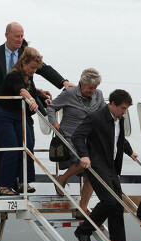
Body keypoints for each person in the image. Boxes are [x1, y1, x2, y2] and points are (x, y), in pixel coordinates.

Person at [0, 22, 73, 190]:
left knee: (28, 144)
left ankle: (19, 181)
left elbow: (44, 69)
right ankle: (2, 183)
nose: (20, 39)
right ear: (6, 35)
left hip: (22, 109)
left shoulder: (26, 54)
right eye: (17, 36)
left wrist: (62, 82)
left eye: (22, 36)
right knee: (3, 147)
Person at [72, 89, 138, 241]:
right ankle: (84, 230)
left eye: (126, 109)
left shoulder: (119, 120)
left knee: (117, 207)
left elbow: (119, 139)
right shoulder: (96, 118)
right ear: (113, 104)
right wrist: (84, 155)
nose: (124, 112)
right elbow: (77, 136)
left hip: (112, 167)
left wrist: (129, 151)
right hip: (97, 165)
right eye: (123, 108)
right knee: (109, 201)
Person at [46, 68, 105, 214]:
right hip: (70, 136)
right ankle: (63, 179)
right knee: (85, 162)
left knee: (92, 174)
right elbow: (51, 107)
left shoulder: (98, 95)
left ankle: (82, 209)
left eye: (95, 88)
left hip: (89, 138)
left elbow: (104, 113)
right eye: (90, 87)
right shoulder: (69, 93)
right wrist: (54, 122)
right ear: (82, 84)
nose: (93, 91)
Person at [0, 47, 49, 195]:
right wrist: (31, 100)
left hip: (18, 114)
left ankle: (23, 181)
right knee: (12, 148)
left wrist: (41, 96)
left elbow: (30, 90)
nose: (34, 71)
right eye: (32, 67)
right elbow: (22, 90)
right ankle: (3, 185)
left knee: (27, 146)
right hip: (3, 114)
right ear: (23, 63)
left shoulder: (28, 76)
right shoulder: (15, 75)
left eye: (36, 68)